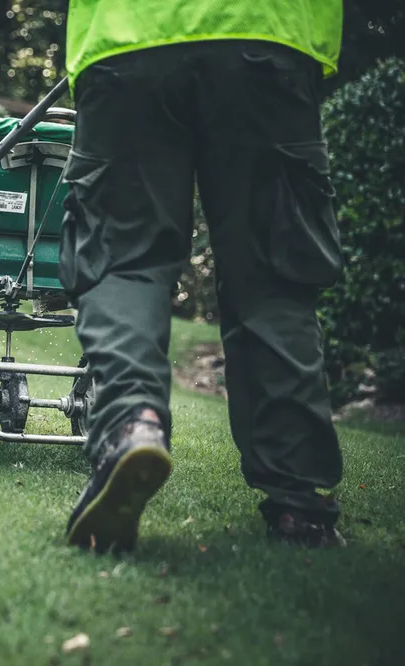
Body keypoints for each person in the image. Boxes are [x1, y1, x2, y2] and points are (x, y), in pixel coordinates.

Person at [58, 0, 347, 553]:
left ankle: (131, 424)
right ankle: (297, 504)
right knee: (272, 275)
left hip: (129, 35)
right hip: (271, 33)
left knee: (125, 259)